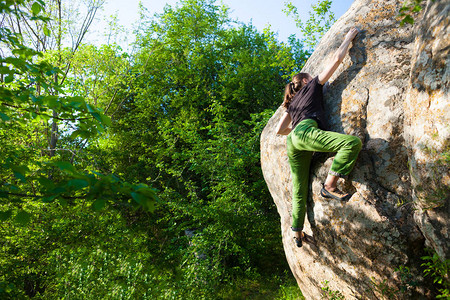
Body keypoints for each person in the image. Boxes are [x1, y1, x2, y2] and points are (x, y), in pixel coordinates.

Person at [275, 27, 362, 248]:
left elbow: (279, 130)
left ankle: (297, 233)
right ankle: (330, 186)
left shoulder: (291, 103)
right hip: (305, 132)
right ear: (305, 81)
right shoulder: (312, 87)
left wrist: (297, 132)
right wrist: (348, 38)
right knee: (351, 143)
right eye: (310, 77)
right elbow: (336, 59)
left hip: (293, 141)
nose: (314, 78)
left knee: (299, 189)